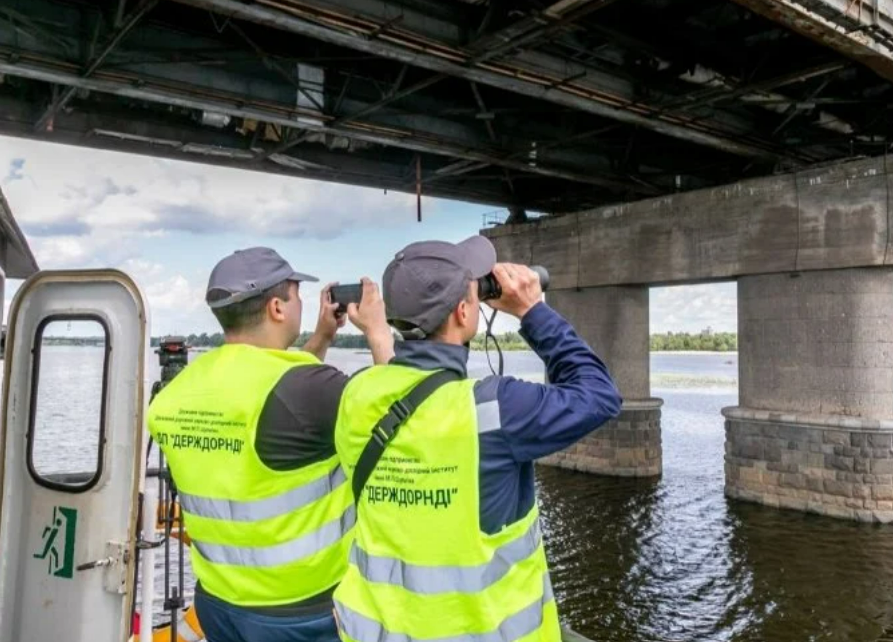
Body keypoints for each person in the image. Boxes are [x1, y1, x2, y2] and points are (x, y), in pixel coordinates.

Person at [331, 236, 623, 642]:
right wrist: (532, 311)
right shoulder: (495, 408)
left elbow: (404, 390)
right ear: (465, 311)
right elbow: (600, 395)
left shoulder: (356, 395)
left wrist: (380, 335)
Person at [147, 247, 394, 642]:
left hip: (218, 603)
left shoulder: (175, 396)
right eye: (296, 296)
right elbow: (405, 416)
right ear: (278, 308)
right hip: (302, 611)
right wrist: (378, 332)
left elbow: (273, 389)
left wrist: (322, 337)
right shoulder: (308, 390)